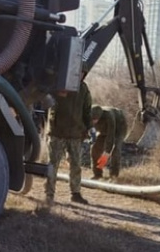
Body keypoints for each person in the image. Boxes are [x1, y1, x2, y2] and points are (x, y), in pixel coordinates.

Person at [44, 69, 93, 205]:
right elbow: (46, 99)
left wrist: (89, 128)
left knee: (76, 165)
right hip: (57, 133)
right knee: (53, 165)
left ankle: (75, 194)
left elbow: (87, 110)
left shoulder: (83, 89)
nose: (80, 74)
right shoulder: (59, 83)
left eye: (83, 72)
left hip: (75, 134)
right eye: (79, 71)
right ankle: (49, 194)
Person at [90, 105, 128, 180]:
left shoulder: (109, 116)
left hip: (119, 129)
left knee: (115, 150)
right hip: (103, 130)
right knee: (94, 149)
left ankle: (113, 175)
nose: (93, 122)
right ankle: (97, 174)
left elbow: (110, 136)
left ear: (99, 117)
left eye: (95, 119)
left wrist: (106, 153)